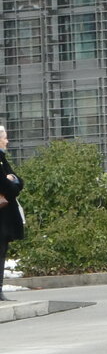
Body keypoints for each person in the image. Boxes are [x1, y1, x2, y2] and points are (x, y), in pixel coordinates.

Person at [0, 125, 26, 301]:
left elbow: (18, 181)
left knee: (2, 251)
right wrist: (11, 183)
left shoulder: (2, 158)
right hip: (2, 217)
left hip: (5, 218)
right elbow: (6, 184)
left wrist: (13, 181)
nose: (7, 141)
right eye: (4, 137)